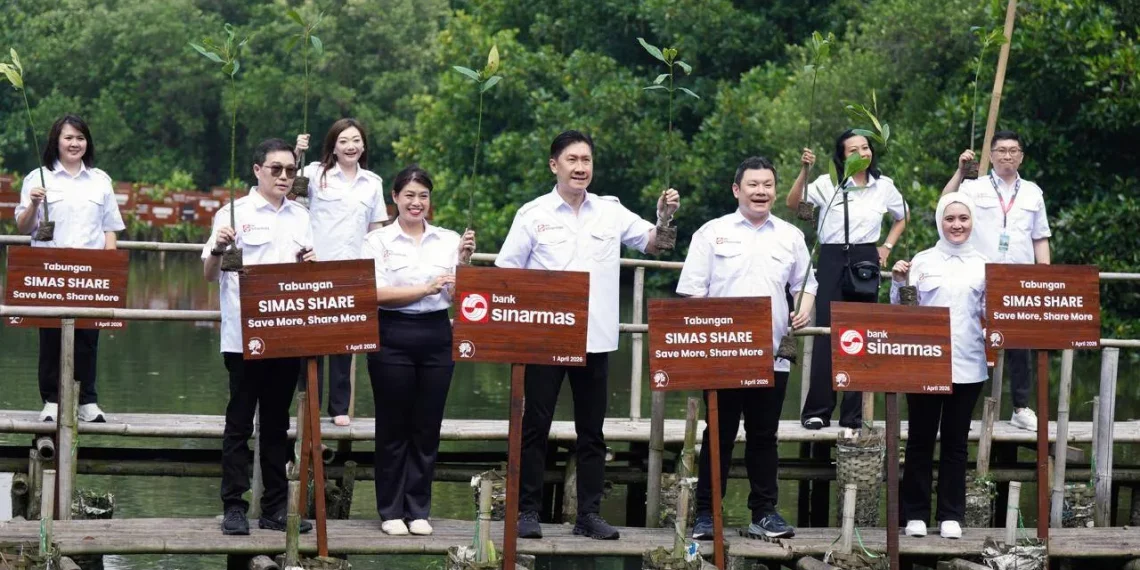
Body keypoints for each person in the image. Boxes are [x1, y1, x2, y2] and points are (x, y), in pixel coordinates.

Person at [496, 130, 680, 541]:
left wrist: (665, 215)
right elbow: (508, 273)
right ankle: (527, 510)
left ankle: (589, 515)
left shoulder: (610, 211)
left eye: (587, 160)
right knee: (534, 426)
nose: (581, 168)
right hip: (545, 339)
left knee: (593, 432)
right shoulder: (532, 214)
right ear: (554, 165)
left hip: (596, 338)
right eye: (572, 160)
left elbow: (653, 244)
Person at [677, 157, 818, 540]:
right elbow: (691, 293)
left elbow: (806, 284)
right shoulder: (711, 232)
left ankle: (764, 512)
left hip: (773, 354)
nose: (761, 191)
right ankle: (707, 514)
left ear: (775, 189)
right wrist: (716, 331)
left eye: (768, 185)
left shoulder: (790, 235)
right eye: (753, 184)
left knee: (764, 435)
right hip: (721, 356)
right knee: (718, 433)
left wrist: (802, 309)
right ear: (736, 189)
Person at [202, 138, 316, 536]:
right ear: (257, 170)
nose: (284, 177)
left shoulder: (301, 216)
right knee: (239, 423)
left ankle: (275, 508)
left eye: (290, 170)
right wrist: (218, 248)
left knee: (276, 424)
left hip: (286, 336)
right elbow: (209, 274)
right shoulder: (233, 213)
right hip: (242, 336)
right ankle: (234, 506)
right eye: (276, 169)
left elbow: (308, 279)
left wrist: (310, 266)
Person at [360, 166, 476, 537]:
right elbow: (373, 293)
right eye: (409, 195)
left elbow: (460, 296)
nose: (416, 202)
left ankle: (418, 508)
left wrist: (465, 266)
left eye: (423, 196)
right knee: (394, 425)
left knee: (427, 425)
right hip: (392, 332)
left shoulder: (448, 239)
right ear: (395, 198)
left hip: (437, 333)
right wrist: (424, 289)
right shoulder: (377, 241)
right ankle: (390, 510)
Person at [787, 130, 908, 430]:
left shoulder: (884, 186)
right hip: (830, 257)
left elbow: (902, 215)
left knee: (861, 335)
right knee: (827, 333)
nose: (861, 154)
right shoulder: (828, 182)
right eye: (853, 150)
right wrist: (805, 170)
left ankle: (853, 414)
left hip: (865, 259)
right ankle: (817, 410)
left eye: (865, 148)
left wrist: (886, 247)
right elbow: (793, 203)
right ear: (841, 156)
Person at [15, 114, 125, 423]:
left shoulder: (100, 180)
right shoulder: (38, 178)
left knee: (88, 336)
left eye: (80, 137)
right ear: (56, 142)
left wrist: (110, 270)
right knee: (51, 335)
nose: (74, 143)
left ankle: (87, 401)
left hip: (90, 271)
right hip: (51, 269)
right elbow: (24, 227)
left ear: (86, 142)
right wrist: (35, 204)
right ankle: (51, 400)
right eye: (68, 137)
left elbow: (110, 228)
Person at [890, 192, 988, 539]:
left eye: (963, 218)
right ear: (939, 222)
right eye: (950, 219)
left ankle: (951, 515)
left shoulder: (984, 264)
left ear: (972, 221)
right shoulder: (922, 261)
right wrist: (899, 282)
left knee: (956, 442)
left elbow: (993, 315)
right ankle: (914, 514)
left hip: (969, 363)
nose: (956, 225)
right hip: (926, 365)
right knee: (919, 439)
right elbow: (903, 312)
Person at [941, 130, 1051, 431]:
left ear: (1021, 156)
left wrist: (1044, 274)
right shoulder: (974, 187)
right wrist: (960, 171)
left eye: (1013, 150)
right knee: (966, 333)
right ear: (991, 154)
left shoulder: (1032, 192)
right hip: (979, 272)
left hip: (1019, 277)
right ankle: (951, 398)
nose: (1007, 156)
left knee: (1020, 343)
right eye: (1001, 150)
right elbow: (946, 203)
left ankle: (1020, 407)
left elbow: (1040, 237)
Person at [294, 119, 388, 427]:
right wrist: (297, 152)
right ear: (333, 145)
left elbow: (376, 229)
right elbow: (289, 197)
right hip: (316, 267)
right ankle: (310, 403)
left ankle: (338, 407)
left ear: (364, 146)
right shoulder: (314, 174)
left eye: (356, 141)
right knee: (312, 341)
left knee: (344, 343)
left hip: (353, 270)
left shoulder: (372, 182)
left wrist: (379, 266)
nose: (351, 146)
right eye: (344, 141)